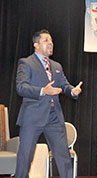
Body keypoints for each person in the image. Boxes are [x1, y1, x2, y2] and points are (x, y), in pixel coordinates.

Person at [15, 29, 82, 178]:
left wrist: (72, 91)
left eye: (51, 41)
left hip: (54, 118)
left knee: (63, 157)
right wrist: (42, 91)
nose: (50, 43)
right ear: (36, 45)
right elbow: (21, 87)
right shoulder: (26, 63)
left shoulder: (56, 66)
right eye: (46, 40)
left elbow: (64, 85)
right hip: (32, 117)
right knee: (25, 157)